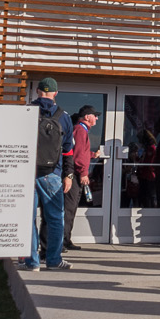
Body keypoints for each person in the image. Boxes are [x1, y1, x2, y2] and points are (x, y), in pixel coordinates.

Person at [26, 78, 73, 271]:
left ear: (37, 91)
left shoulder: (26, 112)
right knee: (55, 218)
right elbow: (68, 149)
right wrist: (68, 174)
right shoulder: (64, 116)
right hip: (52, 174)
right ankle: (53, 260)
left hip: (27, 173)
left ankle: (32, 262)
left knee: (28, 218)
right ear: (56, 93)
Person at [64, 105, 100, 252]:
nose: (97, 118)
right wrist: (84, 172)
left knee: (71, 208)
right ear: (87, 117)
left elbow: (82, 152)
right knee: (68, 208)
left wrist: (92, 155)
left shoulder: (81, 130)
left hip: (77, 173)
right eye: (94, 115)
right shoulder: (80, 130)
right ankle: (62, 240)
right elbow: (77, 155)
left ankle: (66, 239)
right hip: (75, 175)